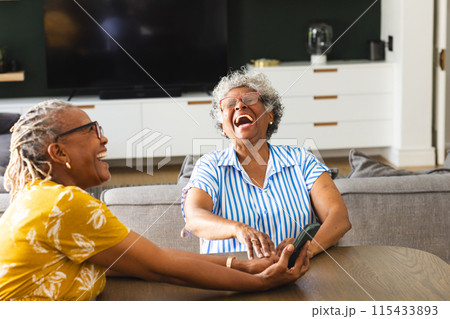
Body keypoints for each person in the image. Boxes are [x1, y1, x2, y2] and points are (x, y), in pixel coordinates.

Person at [0, 100, 309, 301]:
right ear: (59, 153)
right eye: (92, 130)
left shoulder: (37, 197)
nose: (104, 138)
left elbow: (142, 260)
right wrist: (263, 283)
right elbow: (162, 268)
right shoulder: (64, 203)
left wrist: (245, 266)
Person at [182, 70, 352, 260]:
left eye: (250, 99)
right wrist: (238, 229)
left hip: (297, 273)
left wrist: (306, 250)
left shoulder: (301, 160)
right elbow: (194, 218)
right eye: (230, 104)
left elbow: (338, 217)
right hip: (232, 278)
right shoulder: (210, 165)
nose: (240, 105)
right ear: (222, 126)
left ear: (270, 115)